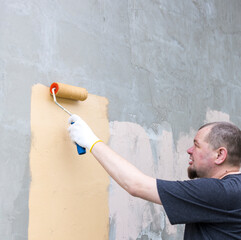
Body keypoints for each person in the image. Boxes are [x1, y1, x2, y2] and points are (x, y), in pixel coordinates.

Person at [68, 114, 241, 240]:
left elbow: (136, 185)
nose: (189, 150)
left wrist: (91, 141)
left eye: (196, 145)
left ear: (220, 155)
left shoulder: (221, 193)